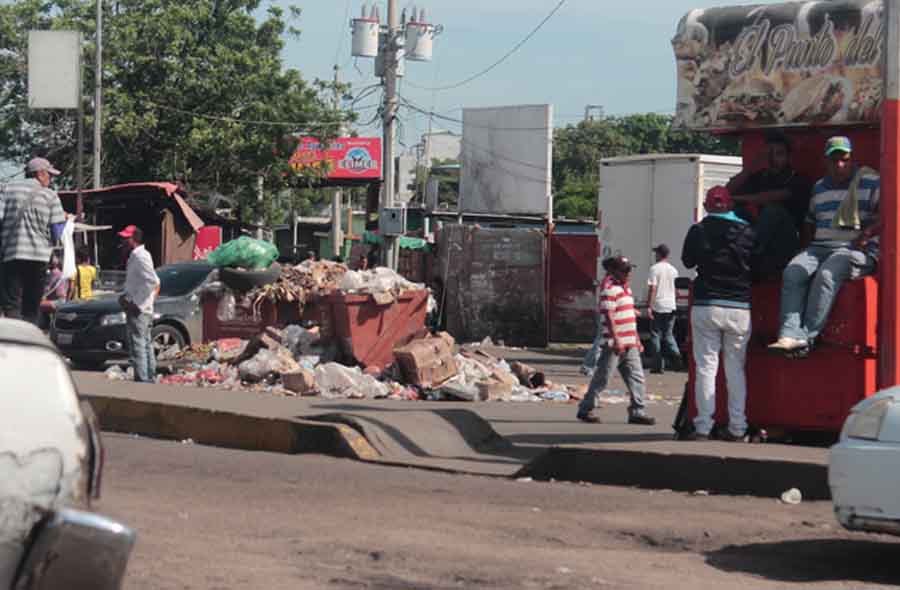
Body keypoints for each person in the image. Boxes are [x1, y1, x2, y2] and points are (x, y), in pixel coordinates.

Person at [769, 137, 881, 354]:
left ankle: (806, 338)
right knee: (793, 271)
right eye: (834, 160)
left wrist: (868, 232)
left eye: (844, 160)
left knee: (827, 274)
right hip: (820, 247)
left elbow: (887, 215)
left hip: (856, 249)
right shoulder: (819, 187)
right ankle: (789, 335)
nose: (840, 165)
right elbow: (811, 221)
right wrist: (804, 249)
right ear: (826, 162)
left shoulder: (870, 182)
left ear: (851, 159)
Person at [682, 186, 755, 441]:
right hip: (739, 307)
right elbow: (755, 262)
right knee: (735, 370)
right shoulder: (747, 231)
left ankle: (703, 426)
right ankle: (738, 428)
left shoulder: (699, 230)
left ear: (706, 205)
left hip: (707, 304)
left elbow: (688, 261)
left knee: (706, 367)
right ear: (730, 205)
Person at [576, 255, 656, 426]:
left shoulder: (626, 289)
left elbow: (629, 316)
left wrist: (636, 339)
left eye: (630, 270)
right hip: (614, 344)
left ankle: (637, 411)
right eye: (625, 270)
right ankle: (585, 409)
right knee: (602, 379)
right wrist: (616, 339)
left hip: (630, 343)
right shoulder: (609, 289)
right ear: (614, 271)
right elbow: (609, 316)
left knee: (637, 378)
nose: (629, 273)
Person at [727, 132, 811, 280]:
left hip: (789, 240)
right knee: (737, 212)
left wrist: (734, 198)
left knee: (773, 210)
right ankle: (731, 253)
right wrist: (749, 169)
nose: (772, 159)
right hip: (764, 237)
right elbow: (726, 192)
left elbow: (769, 197)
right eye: (769, 154)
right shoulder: (761, 176)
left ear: (788, 157)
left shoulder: (798, 179)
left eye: (778, 154)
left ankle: (750, 255)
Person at [0, 157, 67, 323]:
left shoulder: (7, 190)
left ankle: (13, 339)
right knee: (32, 306)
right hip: (39, 258)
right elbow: (56, 230)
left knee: (11, 304)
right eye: (49, 175)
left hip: (11, 256)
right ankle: (29, 340)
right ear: (40, 174)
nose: (50, 179)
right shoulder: (51, 196)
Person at [118, 225, 160, 383]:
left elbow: (153, 281)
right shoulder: (136, 255)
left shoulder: (140, 256)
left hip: (139, 309)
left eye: (125, 238)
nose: (123, 241)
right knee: (145, 343)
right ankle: (149, 376)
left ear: (133, 239)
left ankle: (143, 380)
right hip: (142, 307)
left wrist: (137, 303)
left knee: (139, 344)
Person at [646, 244, 683, 374]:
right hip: (671, 305)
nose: (655, 255)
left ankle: (657, 366)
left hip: (658, 305)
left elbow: (653, 288)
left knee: (656, 335)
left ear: (659, 255)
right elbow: (676, 291)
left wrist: (649, 306)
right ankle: (677, 357)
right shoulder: (673, 270)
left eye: (656, 253)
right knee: (668, 334)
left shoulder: (654, 269)